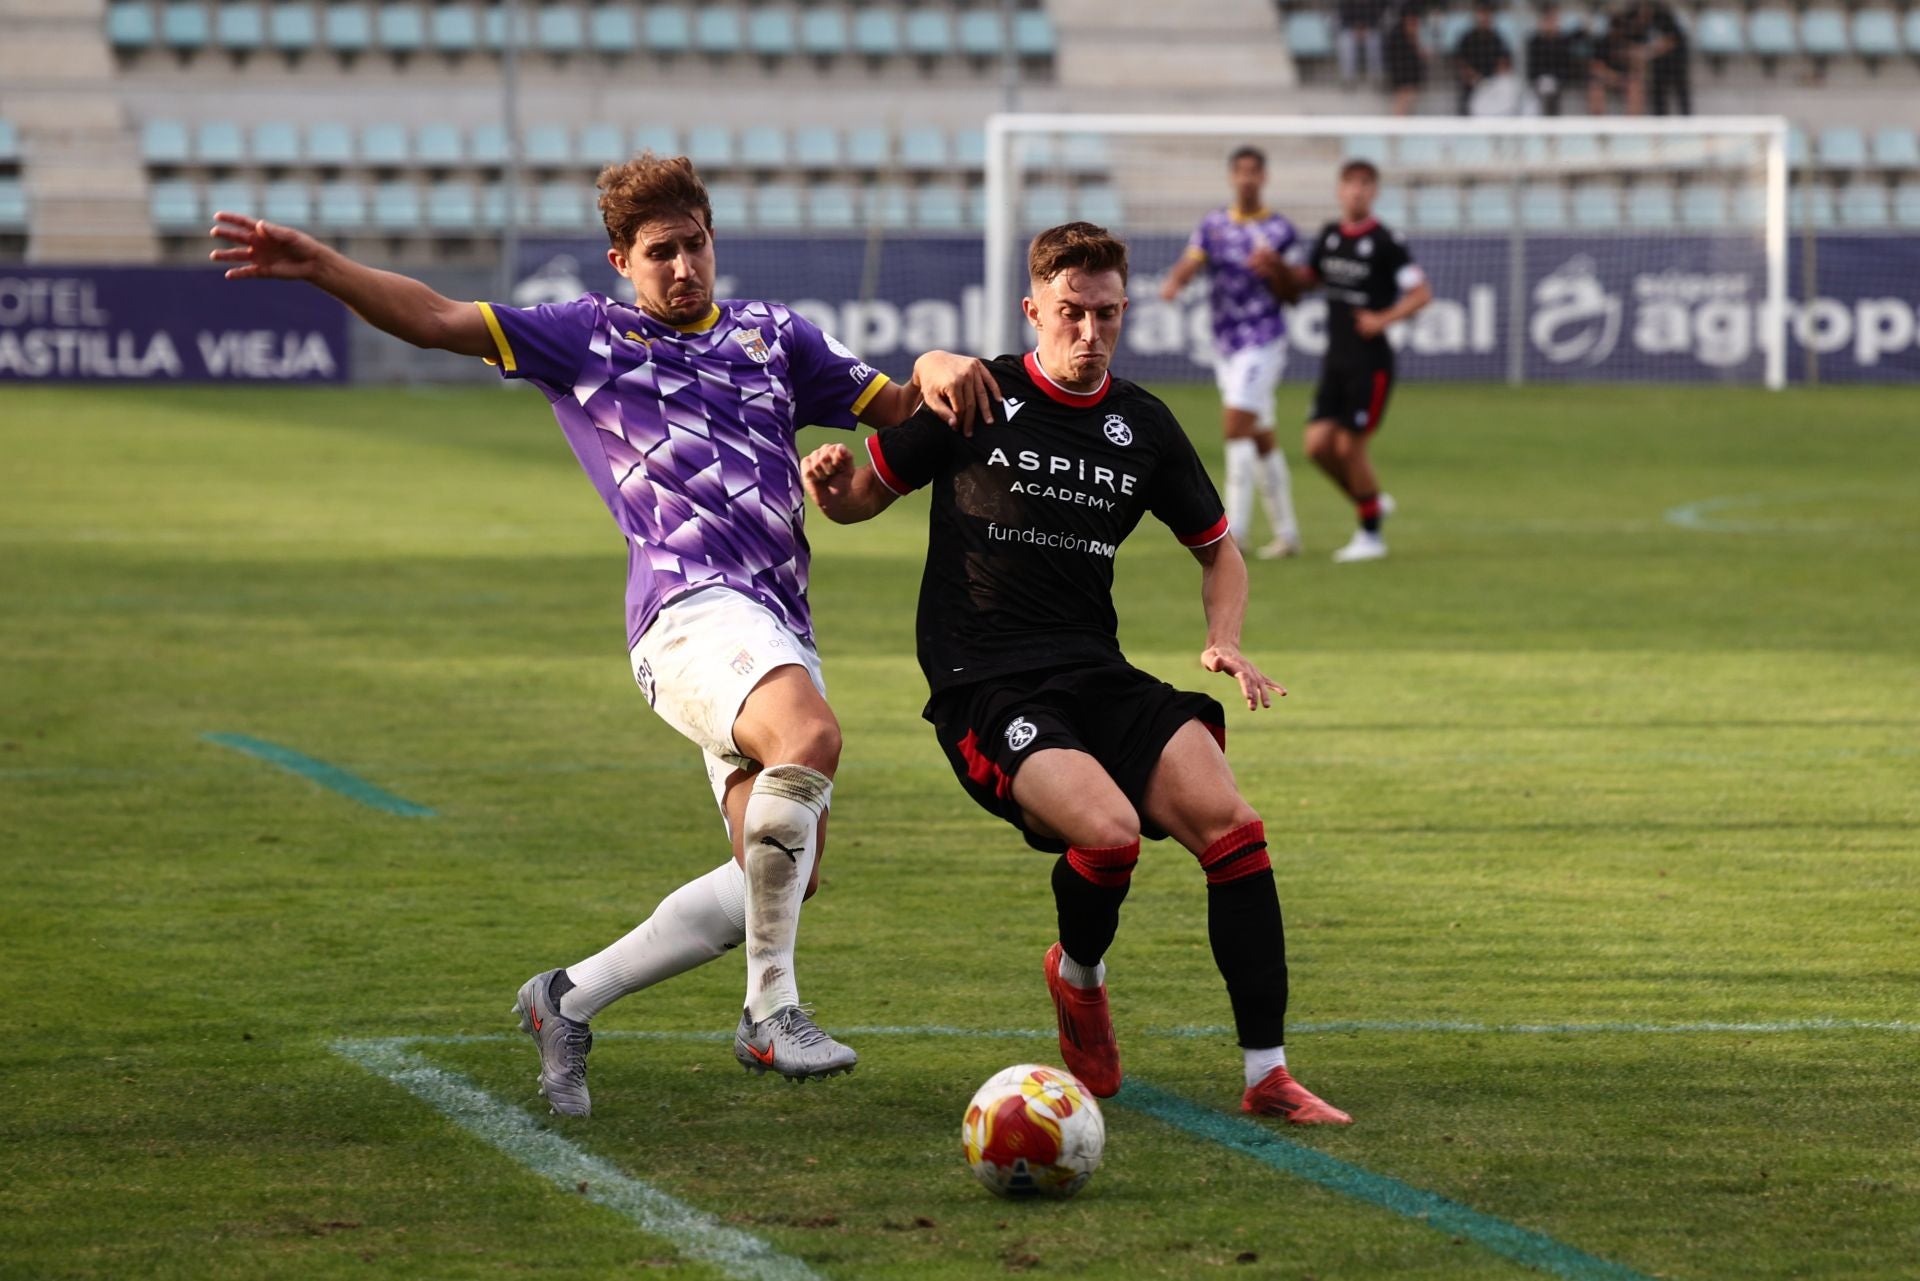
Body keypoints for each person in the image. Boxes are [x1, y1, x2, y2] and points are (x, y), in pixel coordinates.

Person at [208, 153, 998, 1114]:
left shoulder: (773, 338)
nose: (681, 268)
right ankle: (769, 1012)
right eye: (659, 252)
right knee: (813, 740)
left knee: (782, 866)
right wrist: (323, 264)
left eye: (694, 246)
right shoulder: (588, 337)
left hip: (776, 619)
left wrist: (926, 371)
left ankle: (568, 997)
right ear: (621, 260)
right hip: (685, 613)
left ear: (715, 245)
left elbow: (908, 414)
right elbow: (434, 318)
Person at [798, 222, 1352, 1125]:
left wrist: (1224, 637)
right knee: (1110, 834)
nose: (1090, 333)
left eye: (1107, 314)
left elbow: (1221, 551)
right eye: (1071, 314)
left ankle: (1268, 1073)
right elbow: (864, 499)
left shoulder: (1143, 423)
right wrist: (830, 487)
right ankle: (1080, 976)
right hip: (988, 679)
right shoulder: (979, 395)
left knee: (1235, 827)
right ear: (1034, 311)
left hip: (1097, 669)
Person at [1158, 145, 1304, 559]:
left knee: (1235, 427)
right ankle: (1288, 533)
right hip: (1225, 344)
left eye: (1254, 171)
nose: (1247, 178)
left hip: (1264, 339)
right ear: (1231, 177)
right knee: (1260, 436)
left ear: (1264, 177)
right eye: (1240, 171)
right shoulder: (1214, 225)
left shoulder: (1280, 231)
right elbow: (1191, 262)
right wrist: (1173, 285)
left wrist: (1276, 268)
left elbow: (1295, 292)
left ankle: (1233, 531)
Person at [1293, 160, 1432, 563]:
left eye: (1365, 185)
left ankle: (1371, 536)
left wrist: (1381, 319)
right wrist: (1277, 271)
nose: (1356, 191)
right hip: (1335, 360)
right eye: (1350, 184)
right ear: (1340, 190)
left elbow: (1421, 293)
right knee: (1317, 447)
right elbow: (1309, 279)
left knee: (1350, 447)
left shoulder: (1387, 241)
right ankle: (1369, 499)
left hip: (1371, 364)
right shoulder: (1331, 235)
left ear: (1374, 192)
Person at [1452, 1, 1514, 116]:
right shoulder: (1467, 38)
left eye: (1487, 14)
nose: (1484, 17)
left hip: (1492, 83)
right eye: (1482, 13)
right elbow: (1459, 60)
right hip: (1472, 83)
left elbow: (1505, 62)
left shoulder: (1497, 38)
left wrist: (1496, 76)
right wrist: (1472, 76)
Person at [1638, 0, 1691, 116]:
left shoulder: (1665, 17)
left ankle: (1687, 119)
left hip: (1676, 61)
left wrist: (1649, 52)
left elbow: (1672, 40)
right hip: (1659, 63)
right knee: (1658, 92)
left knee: (1680, 91)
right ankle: (1660, 119)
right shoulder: (1644, 24)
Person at [1525, 4, 1580, 116]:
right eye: (1549, 20)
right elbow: (1532, 69)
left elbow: (1566, 65)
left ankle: (1553, 119)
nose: (1552, 23)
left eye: (1554, 20)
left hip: (1560, 80)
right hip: (1540, 80)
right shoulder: (1534, 41)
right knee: (1545, 88)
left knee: (1551, 88)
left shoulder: (1563, 41)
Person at [1383, 6, 1428, 116]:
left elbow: (1420, 54)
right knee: (1403, 100)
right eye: (1412, 20)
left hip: (1410, 75)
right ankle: (1398, 124)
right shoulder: (1396, 35)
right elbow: (1393, 57)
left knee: (1408, 100)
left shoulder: (1414, 33)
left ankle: (1402, 121)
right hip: (1401, 74)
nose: (1415, 23)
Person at [1336, 0, 1390, 90]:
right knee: (1346, 42)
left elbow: (1377, 16)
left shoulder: (1375, 3)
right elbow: (1343, 18)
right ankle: (1348, 79)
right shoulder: (1345, 2)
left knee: (1374, 41)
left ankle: (1376, 78)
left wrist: (1366, 28)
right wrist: (1355, 29)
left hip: (1370, 29)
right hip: (1350, 30)